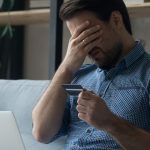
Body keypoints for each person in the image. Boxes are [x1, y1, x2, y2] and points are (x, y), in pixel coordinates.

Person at [32, 0, 150, 149]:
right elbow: (41, 133)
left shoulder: (147, 74)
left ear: (116, 20)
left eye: (89, 35)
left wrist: (110, 123)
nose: (85, 47)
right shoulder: (77, 77)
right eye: (77, 40)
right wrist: (67, 67)